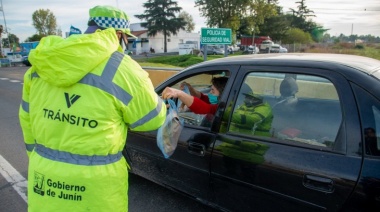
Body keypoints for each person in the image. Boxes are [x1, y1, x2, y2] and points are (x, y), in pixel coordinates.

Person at [19, 5, 167, 212]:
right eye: (126, 39)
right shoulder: (123, 69)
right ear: (118, 35)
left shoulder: (43, 62)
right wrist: (165, 105)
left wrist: (40, 158)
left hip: (45, 176)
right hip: (97, 187)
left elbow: (26, 120)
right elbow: (151, 119)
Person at [161, 77, 228, 115]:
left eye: (213, 91)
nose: (210, 92)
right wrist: (190, 88)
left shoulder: (220, 108)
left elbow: (204, 108)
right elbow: (201, 97)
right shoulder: (218, 102)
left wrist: (179, 93)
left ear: (222, 94)